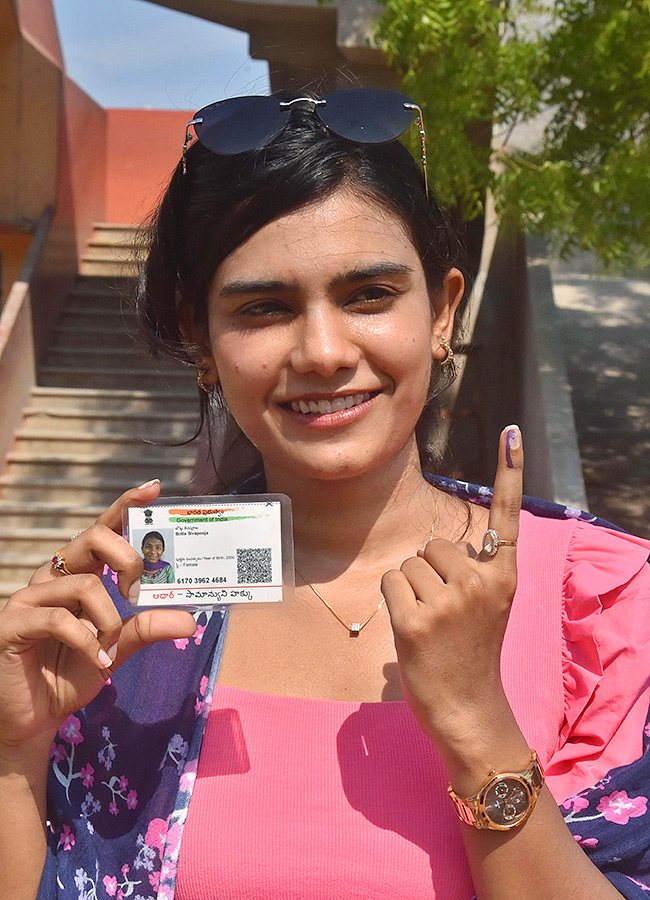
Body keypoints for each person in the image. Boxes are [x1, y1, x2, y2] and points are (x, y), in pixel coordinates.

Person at [1, 88, 650, 900]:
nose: (323, 351)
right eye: (265, 308)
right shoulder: (129, 616)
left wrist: (480, 727)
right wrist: (12, 755)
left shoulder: (604, 603)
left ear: (442, 310)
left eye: (369, 295)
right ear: (201, 340)